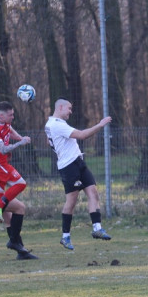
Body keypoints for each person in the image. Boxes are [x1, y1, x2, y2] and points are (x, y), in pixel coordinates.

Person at [44, 99, 113, 250]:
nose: (70, 111)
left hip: (78, 162)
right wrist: (100, 125)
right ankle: (65, 237)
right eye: (69, 108)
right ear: (60, 107)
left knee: (93, 192)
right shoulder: (56, 125)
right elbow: (81, 135)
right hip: (69, 167)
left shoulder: (52, 123)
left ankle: (97, 228)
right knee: (71, 202)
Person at [0, 101, 37, 260]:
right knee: (21, 183)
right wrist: (20, 143)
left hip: (0, 163)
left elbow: (10, 130)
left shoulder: (4, 122)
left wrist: (20, 137)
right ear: (1, 115)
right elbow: (3, 149)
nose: (13, 117)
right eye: (11, 115)